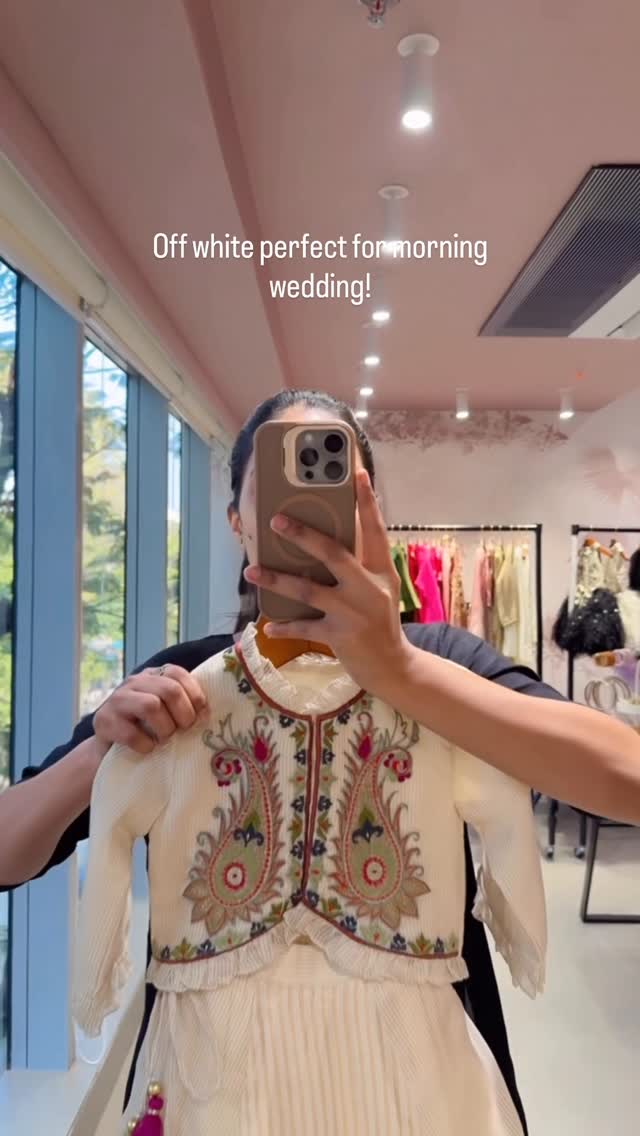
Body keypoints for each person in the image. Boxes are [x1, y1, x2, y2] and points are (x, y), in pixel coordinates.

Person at [1, 389, 640, 1133]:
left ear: (369, 512)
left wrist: (400, 671)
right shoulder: (181, 686)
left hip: (418, 1085)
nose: (300, 514)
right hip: (213, 1087)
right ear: (237, 520)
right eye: (275, 490)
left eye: (333, 481)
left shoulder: (443, 665)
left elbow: (625, 782)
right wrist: (104, 754)